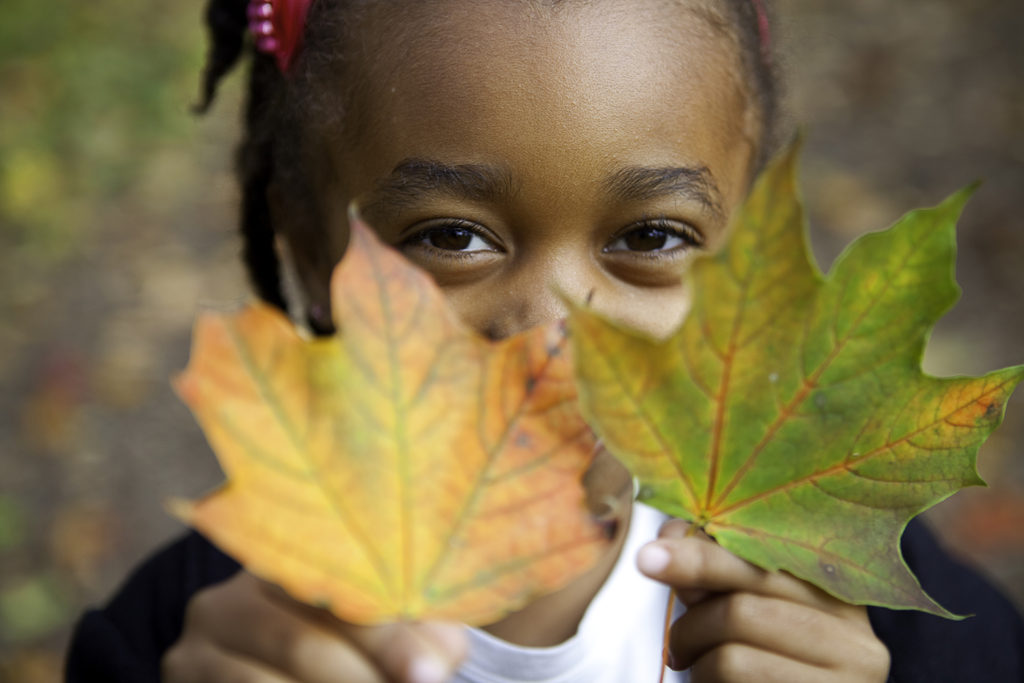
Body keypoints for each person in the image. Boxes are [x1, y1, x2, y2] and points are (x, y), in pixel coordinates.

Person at [67, 0, 1024, 681]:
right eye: (453, 237)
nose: (556, 335)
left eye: (650, 238)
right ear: (312, 251)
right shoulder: (193, 636)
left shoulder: (874, 612)